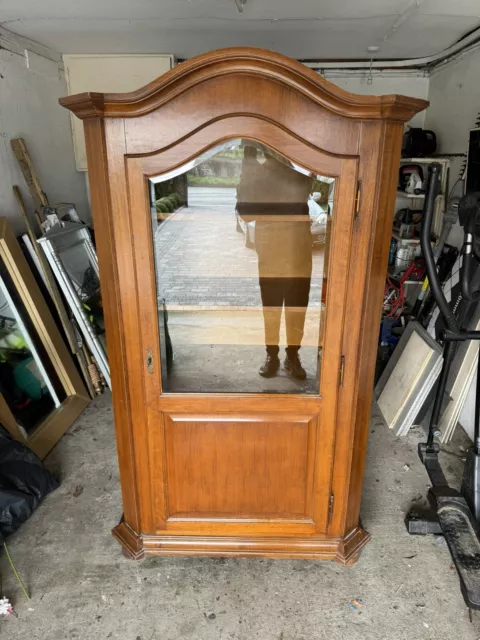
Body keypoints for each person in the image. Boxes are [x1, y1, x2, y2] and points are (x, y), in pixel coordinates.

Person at [237, 145, 313, 379]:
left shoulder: (301, 172)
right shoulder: (260, 174)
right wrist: (248, 165)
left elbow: (304, 187)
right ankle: (272, 354)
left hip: (297, 250)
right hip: (271, 251)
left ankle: (292, 355)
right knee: (270, 306)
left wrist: (254, 169)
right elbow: (245, 212)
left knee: (297, 306)